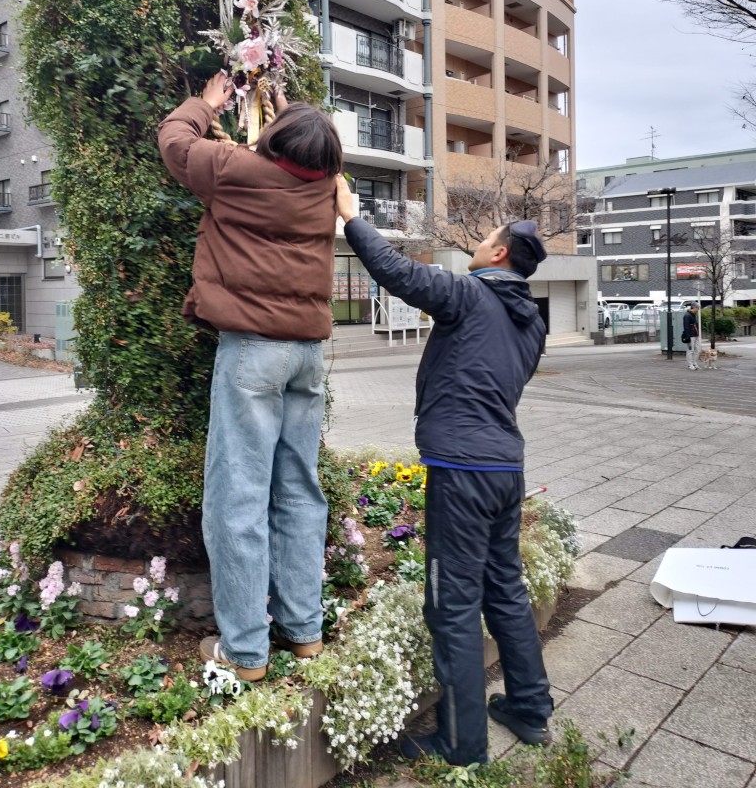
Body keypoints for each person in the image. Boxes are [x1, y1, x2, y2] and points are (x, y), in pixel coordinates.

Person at [335, 175, 553, 767]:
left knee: (451, 604)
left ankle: (461, 744)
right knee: (504, 588)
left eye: (485, 239)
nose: (477, 245)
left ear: (500, 253)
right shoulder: (532, 324)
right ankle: (531, 710)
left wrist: (352, 218)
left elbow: (398, 273)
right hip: (505, 467)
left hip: (461, 471)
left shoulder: (469, 295)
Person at [158, 72, 343, 682]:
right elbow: (304, 146)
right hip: (308, 356)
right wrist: (280, 105)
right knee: (298, 491)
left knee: (238, 497)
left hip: (254, 353)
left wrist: (207, 104)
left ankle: (244, 651)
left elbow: (175, 142)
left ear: (276, 139)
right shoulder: (328, 187)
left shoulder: (236, 169)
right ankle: (304, 632)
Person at [683, 303, 701, 370]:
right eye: (697, 308)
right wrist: (688, 336)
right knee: (690, 350)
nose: (698, 309)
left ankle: (694, 362)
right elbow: (686, 326)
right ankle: (690, 364)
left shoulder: (693, 315)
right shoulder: (687, 315)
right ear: (694, 307)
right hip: (691, 335)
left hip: (695, 335)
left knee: (698, 349)